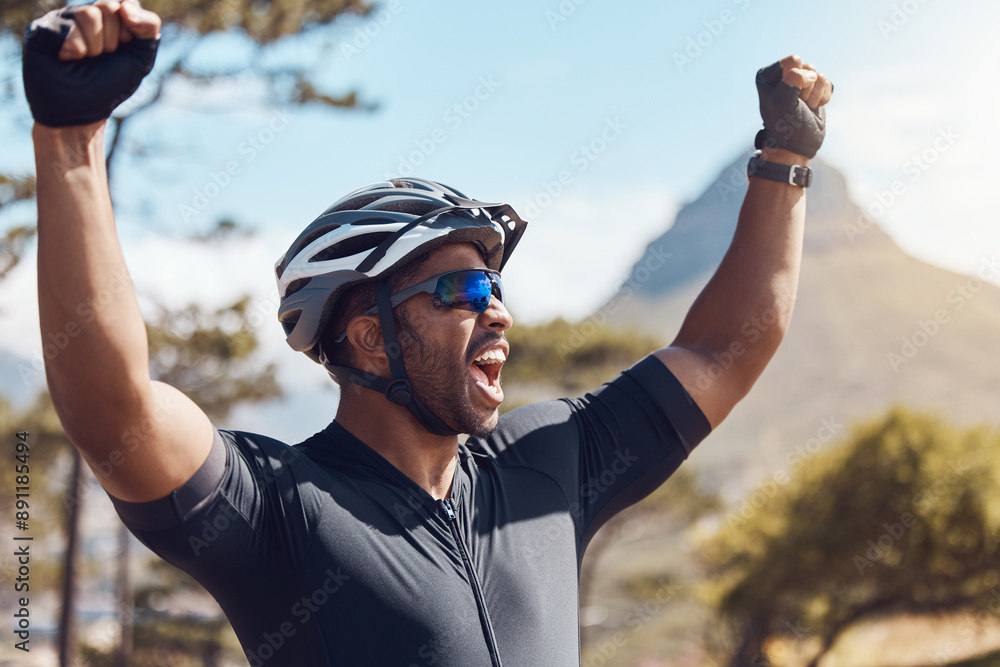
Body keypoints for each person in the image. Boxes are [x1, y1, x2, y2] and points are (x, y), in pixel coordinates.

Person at [23, 1, 833, 665]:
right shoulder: (280, 507)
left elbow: (722, 350)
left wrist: (785, 161)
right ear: (370, 338)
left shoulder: (550, 460)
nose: (500, 311)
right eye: (465, 289)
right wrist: (71, 144)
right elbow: (116, 412)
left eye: (498, 287)